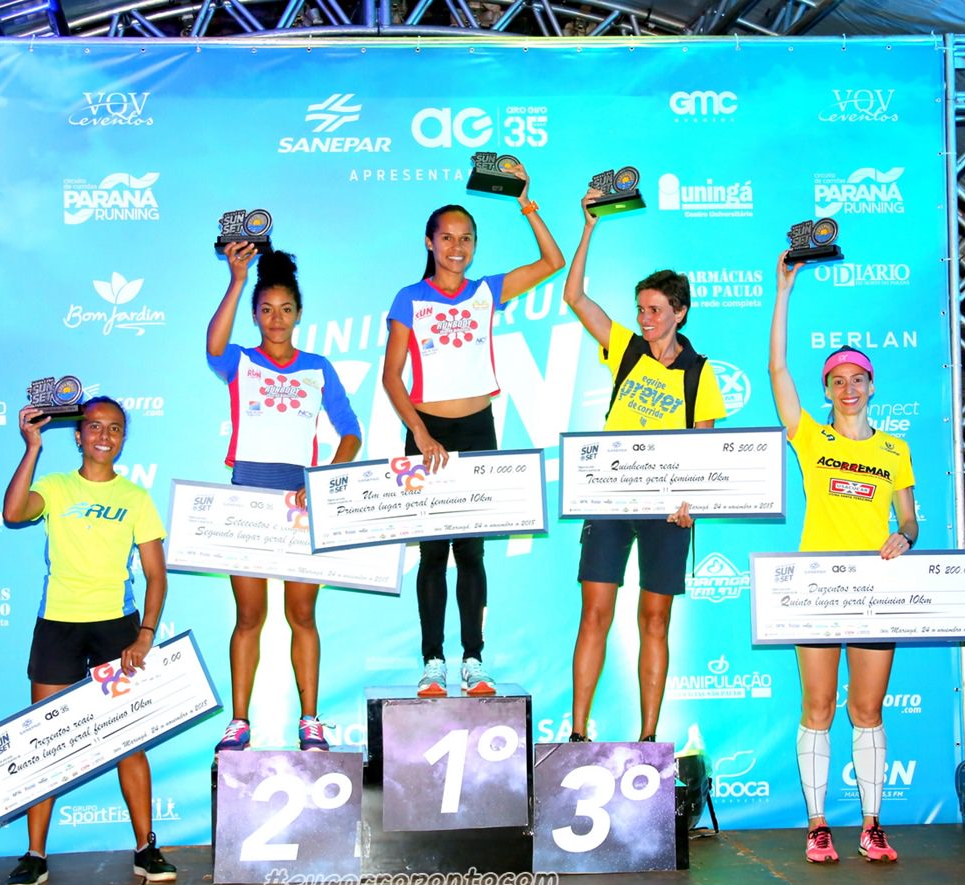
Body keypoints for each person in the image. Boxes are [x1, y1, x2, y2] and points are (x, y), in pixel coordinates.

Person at [382, 163, 565, 698]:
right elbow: (392, 376)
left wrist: (526, 203)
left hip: (479, 430)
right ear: (430, 242)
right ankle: (432, 662)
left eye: (466, 238)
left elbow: (552, 262)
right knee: (432, 554)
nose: (457, 247)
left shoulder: (487, 291)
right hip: (427, 432)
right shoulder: (409, 297)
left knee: (472, 553)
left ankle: (474, 660)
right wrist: (420, 433)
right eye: (447, 237)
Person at [562, 188, 726, 743]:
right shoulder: (626, 348)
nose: (644, 318)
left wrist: (690, 502)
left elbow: (703, 449)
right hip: (610, 498)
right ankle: (578, 733)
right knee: (594, 614)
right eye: (640, 309)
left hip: (666, 510)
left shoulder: (700, 372)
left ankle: (648, 739)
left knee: (654, 621)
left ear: (679, 312)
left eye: (655, 310)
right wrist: (589, 227)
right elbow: (574, 297)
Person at [770, 252, 918, 864]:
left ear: (872, 386)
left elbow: (908, 518)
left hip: (876, 589)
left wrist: (905, 537)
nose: (849, 388)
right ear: (827, 389)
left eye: (858, 379)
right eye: (838, 380)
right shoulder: (811, 437)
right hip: (816, 586)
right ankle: (817, 825)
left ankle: (873, 824)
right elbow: (778, 368)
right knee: (818, 707)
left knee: (867, 709)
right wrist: (784, 290)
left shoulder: (894, 449)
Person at [1, 396, 174, 885]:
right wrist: (32, 447)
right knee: (45, 741)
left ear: (123, 439)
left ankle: (145, 848)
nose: (104, 435)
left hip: (118, 628)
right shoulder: (56, 487)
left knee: (129, 740)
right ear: (78, 436)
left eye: (115, 428)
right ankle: (35, 855)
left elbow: (157, 576)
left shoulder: (136, 497)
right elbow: (13, 512)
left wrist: (145, 634)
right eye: (95, 427)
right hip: (58, 624)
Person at [206, 245, 361, 753]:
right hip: (247, 499)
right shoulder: (240, 362)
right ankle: (239, 723)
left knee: (302, 616)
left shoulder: (317, 367)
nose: (276, 319)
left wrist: (321, 482)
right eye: (266, 310)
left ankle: (310, 722)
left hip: (300, 504)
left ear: (299, 315)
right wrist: (237, 278)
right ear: (254, 315)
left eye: (286, 309)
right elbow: (212, 346)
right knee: (249, 618)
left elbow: (351, 432)